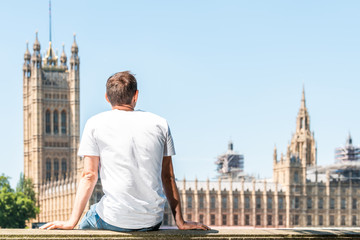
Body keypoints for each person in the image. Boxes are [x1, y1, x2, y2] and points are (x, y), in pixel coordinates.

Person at [40, 71, 210, 231]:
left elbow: (89, 176)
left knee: (84, 224)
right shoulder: (160, 123)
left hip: (113, 218)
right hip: (151, 221)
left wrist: (71, 222)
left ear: (107, 98)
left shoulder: (95, 123)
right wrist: (180, 221)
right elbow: (168, 177)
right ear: (136, 95)